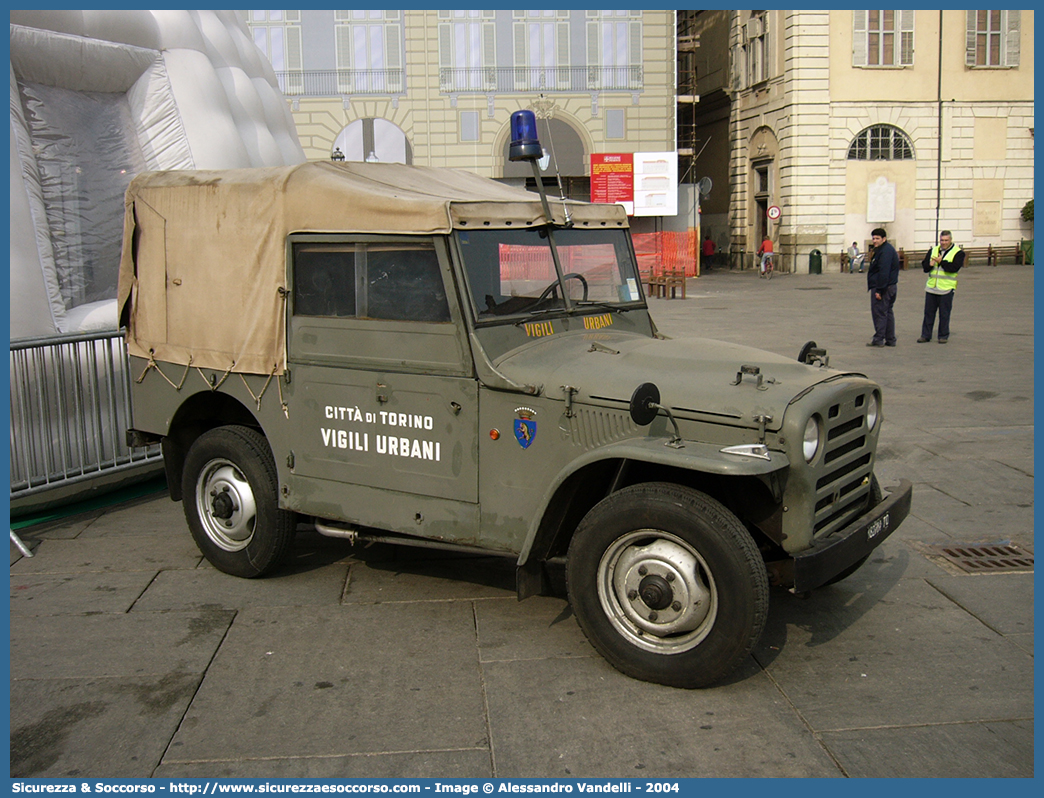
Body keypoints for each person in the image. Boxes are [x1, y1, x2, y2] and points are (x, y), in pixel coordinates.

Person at [918, 229, 964, 343]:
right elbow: (925, 268)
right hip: (931, 288)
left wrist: (941, 261)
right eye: (942, 240)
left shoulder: (958, 253)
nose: (943, 243)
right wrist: (930, 264)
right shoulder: (933, 250)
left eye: (946, 240)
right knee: (928, 313)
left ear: (951, 240)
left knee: (944, 314)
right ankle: (925, 335)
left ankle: (943, 336)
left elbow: (954, 268)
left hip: (946, 288)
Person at [866, 227, 900, 347]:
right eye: (873, 238)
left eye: (877, 238)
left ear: (884, 239)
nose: (874, 241)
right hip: (890, 286)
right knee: (887, 312)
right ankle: (890, 339)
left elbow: (884, 271)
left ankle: (879, 338)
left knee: (879, 312)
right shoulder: (884, 250)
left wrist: (879, 290)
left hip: (884, 287)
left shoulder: (885, 251)